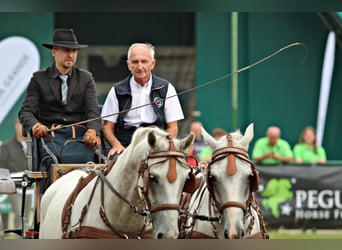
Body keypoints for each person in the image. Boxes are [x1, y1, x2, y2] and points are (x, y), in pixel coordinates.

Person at [18, 29, 101, 184]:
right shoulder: (39, 79)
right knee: (53, 159)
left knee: (89, 159)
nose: (70, 55)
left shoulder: (86, 78)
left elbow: (93, 111)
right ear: (54, 52)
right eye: (66, 51)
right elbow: (26, 112)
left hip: (80, 139)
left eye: (74, 51)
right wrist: (36, 126)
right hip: (50, 138)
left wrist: (92, 131)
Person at [101, 42, 184, 157]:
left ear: (153, 63)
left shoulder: (166, 88)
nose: (140, 67)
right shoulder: (117, 90)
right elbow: (107, 127)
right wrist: (116, 145)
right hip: (126, 145)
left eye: (144, 61)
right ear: (128, 64)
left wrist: (162, 144)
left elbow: (173, 127)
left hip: (157, 142)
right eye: (135, 62)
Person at [0, 120, 33, 230]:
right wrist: (8, 188)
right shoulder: (6, 146)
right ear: (16, 126)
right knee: (20, 214)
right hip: (14, 188)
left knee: (26, 218)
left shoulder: (32, 145)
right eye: (20, 124)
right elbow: (2, 167)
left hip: (29, 188)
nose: (23, 127)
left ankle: (23, 239)